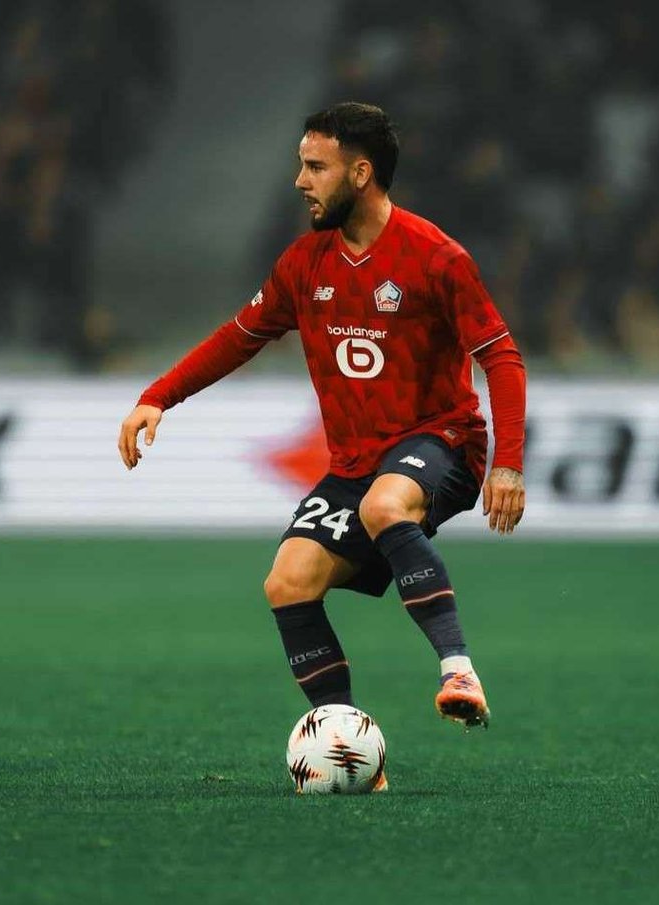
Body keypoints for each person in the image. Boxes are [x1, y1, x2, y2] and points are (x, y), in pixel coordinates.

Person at [118, 102, 527, 747]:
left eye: (315, 167)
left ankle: (458, 670)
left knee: (386, 505)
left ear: (360, 174)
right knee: (288, 581)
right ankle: (345, 741)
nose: (300, 181)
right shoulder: (305, 263)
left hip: (442, 440)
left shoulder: (435, 257)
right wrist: (159, 397)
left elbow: (501, 358)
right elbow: (239, 337)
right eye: (301, 165)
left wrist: (507, 464)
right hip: (354, 464)